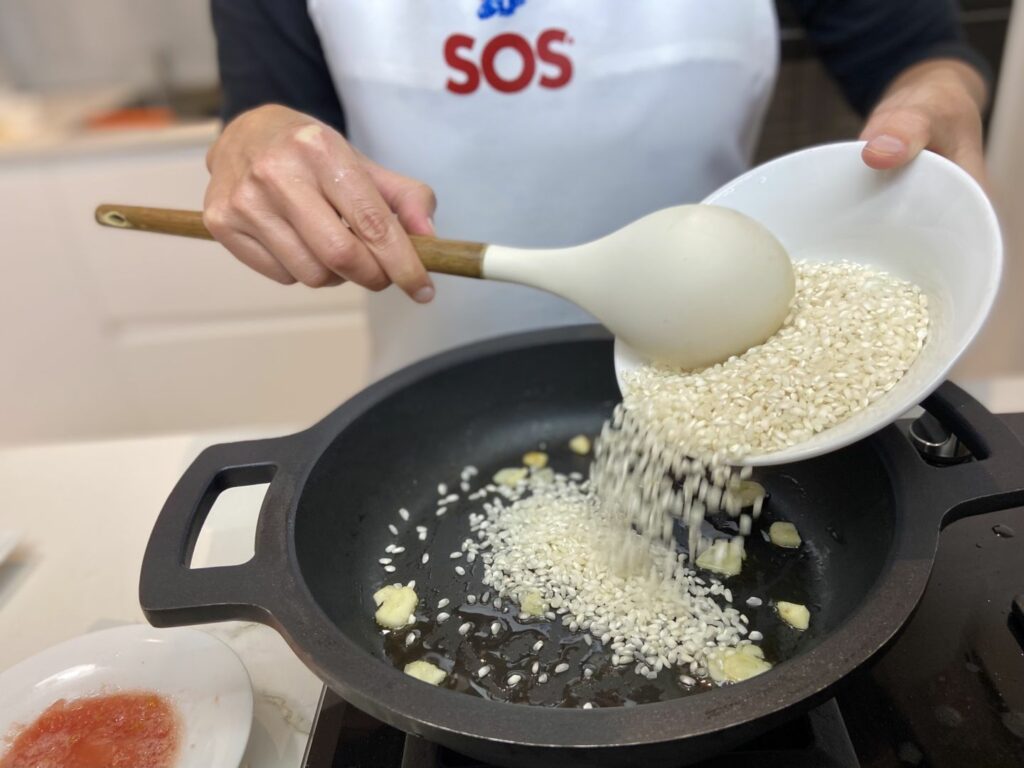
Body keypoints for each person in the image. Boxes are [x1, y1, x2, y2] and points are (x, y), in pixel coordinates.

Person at [205, 0, 990, 378]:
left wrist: (940, 94)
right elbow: (271, 110)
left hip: (716, 362)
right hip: (434, 368)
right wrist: (252, 140)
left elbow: (923, 53)